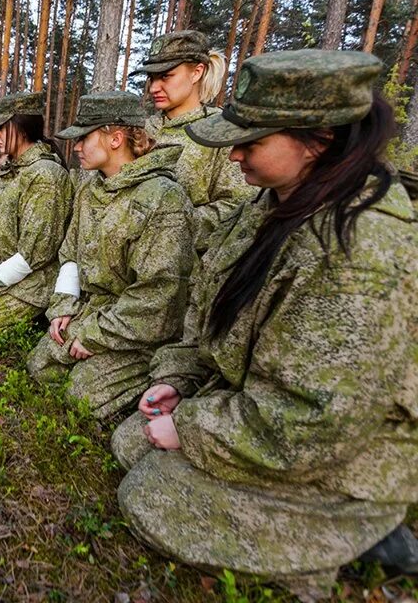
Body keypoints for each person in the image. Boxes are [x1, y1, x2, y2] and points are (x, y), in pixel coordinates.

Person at [111, 50, 418, 599]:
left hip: (340, 459)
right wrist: (178, 380)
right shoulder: (275, 201)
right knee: (133, 443)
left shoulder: (360, 249)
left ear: (318, 140)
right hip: (263, 410)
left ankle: (360, 535)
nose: (232, 155)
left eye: (250, 142)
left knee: (150, 495)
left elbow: (308, 420)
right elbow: (211, 308)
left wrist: (192, 426)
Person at [26, 91, 194, 419]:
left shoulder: (162, 198)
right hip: (94, 313)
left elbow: (157, 299)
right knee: (40, 366)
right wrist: (63, 306)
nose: (75, 147)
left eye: (83, 138)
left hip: (141, 333)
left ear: (115, 138)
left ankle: (161, 384)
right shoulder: (91, 190)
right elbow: (70, 253)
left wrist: (95, 336)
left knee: (81, 396)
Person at [0, 91, 73, 340]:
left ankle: (36, 322)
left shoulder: (45, 175)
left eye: (1, 127)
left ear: (22, 127)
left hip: (36, 281)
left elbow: (36, 253)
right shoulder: (5, 172)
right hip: (5, 272)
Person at [133, 30, 254, 252]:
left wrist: (166, 229)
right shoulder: (142, 129)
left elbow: (238, 207)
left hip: (187, 272)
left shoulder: (222, 132)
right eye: (151, 78)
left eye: (166, 76)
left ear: (197, 72)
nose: (153, 88)